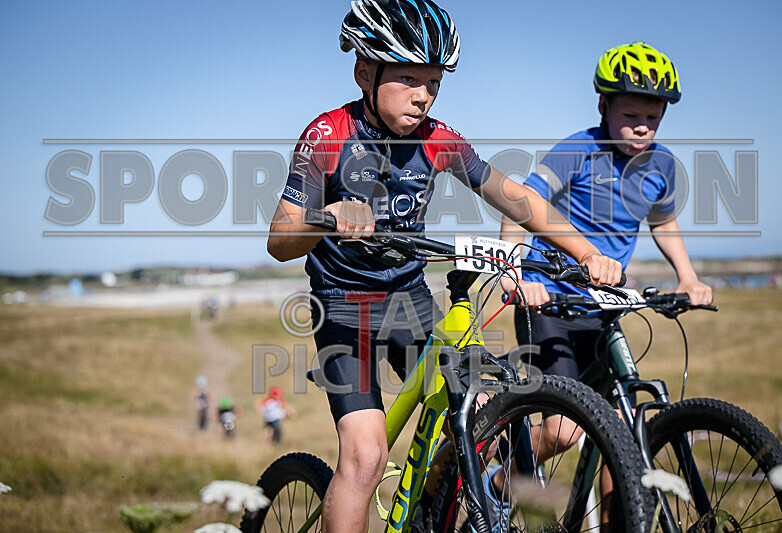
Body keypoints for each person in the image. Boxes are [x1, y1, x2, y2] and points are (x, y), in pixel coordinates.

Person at [266, 2, 623, 531]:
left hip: (408, 300)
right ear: (365, 73)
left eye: (433, 82)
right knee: (365, 457)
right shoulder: (328, 135)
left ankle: (429, 511)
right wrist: (328, 215)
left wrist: (586, 253)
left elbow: (515, 196)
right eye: (409, 79)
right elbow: (279, 239)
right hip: (344, 306)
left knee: (483, 418)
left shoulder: (438, 139)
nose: (423, 95)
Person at [497, 42, 714, 521]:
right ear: (603, 105)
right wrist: (513, 271)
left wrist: (687, 276)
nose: (642, 127)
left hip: (602, 308)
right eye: (630, 115)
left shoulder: (661, 165)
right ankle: (496, 477)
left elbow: (663, 221)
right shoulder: (578, 151)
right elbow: (520, 201)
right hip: (548, 302)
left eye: (653, 118)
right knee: (562, 430)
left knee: (622, 432)